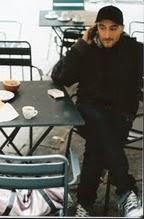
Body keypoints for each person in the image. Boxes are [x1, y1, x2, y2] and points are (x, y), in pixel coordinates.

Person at [51, 5, 143, 217]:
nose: (107, 35)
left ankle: (84, 204)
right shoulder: (87, 49)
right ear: (95, 28)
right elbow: (60, 77)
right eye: (102, 28)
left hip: (120, 116)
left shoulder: (135, 51)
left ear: (122, 28)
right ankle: (127, 191)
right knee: (99, 121)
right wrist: (81, 44)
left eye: (113, 29)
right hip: (88, 112)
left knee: (97, 143)